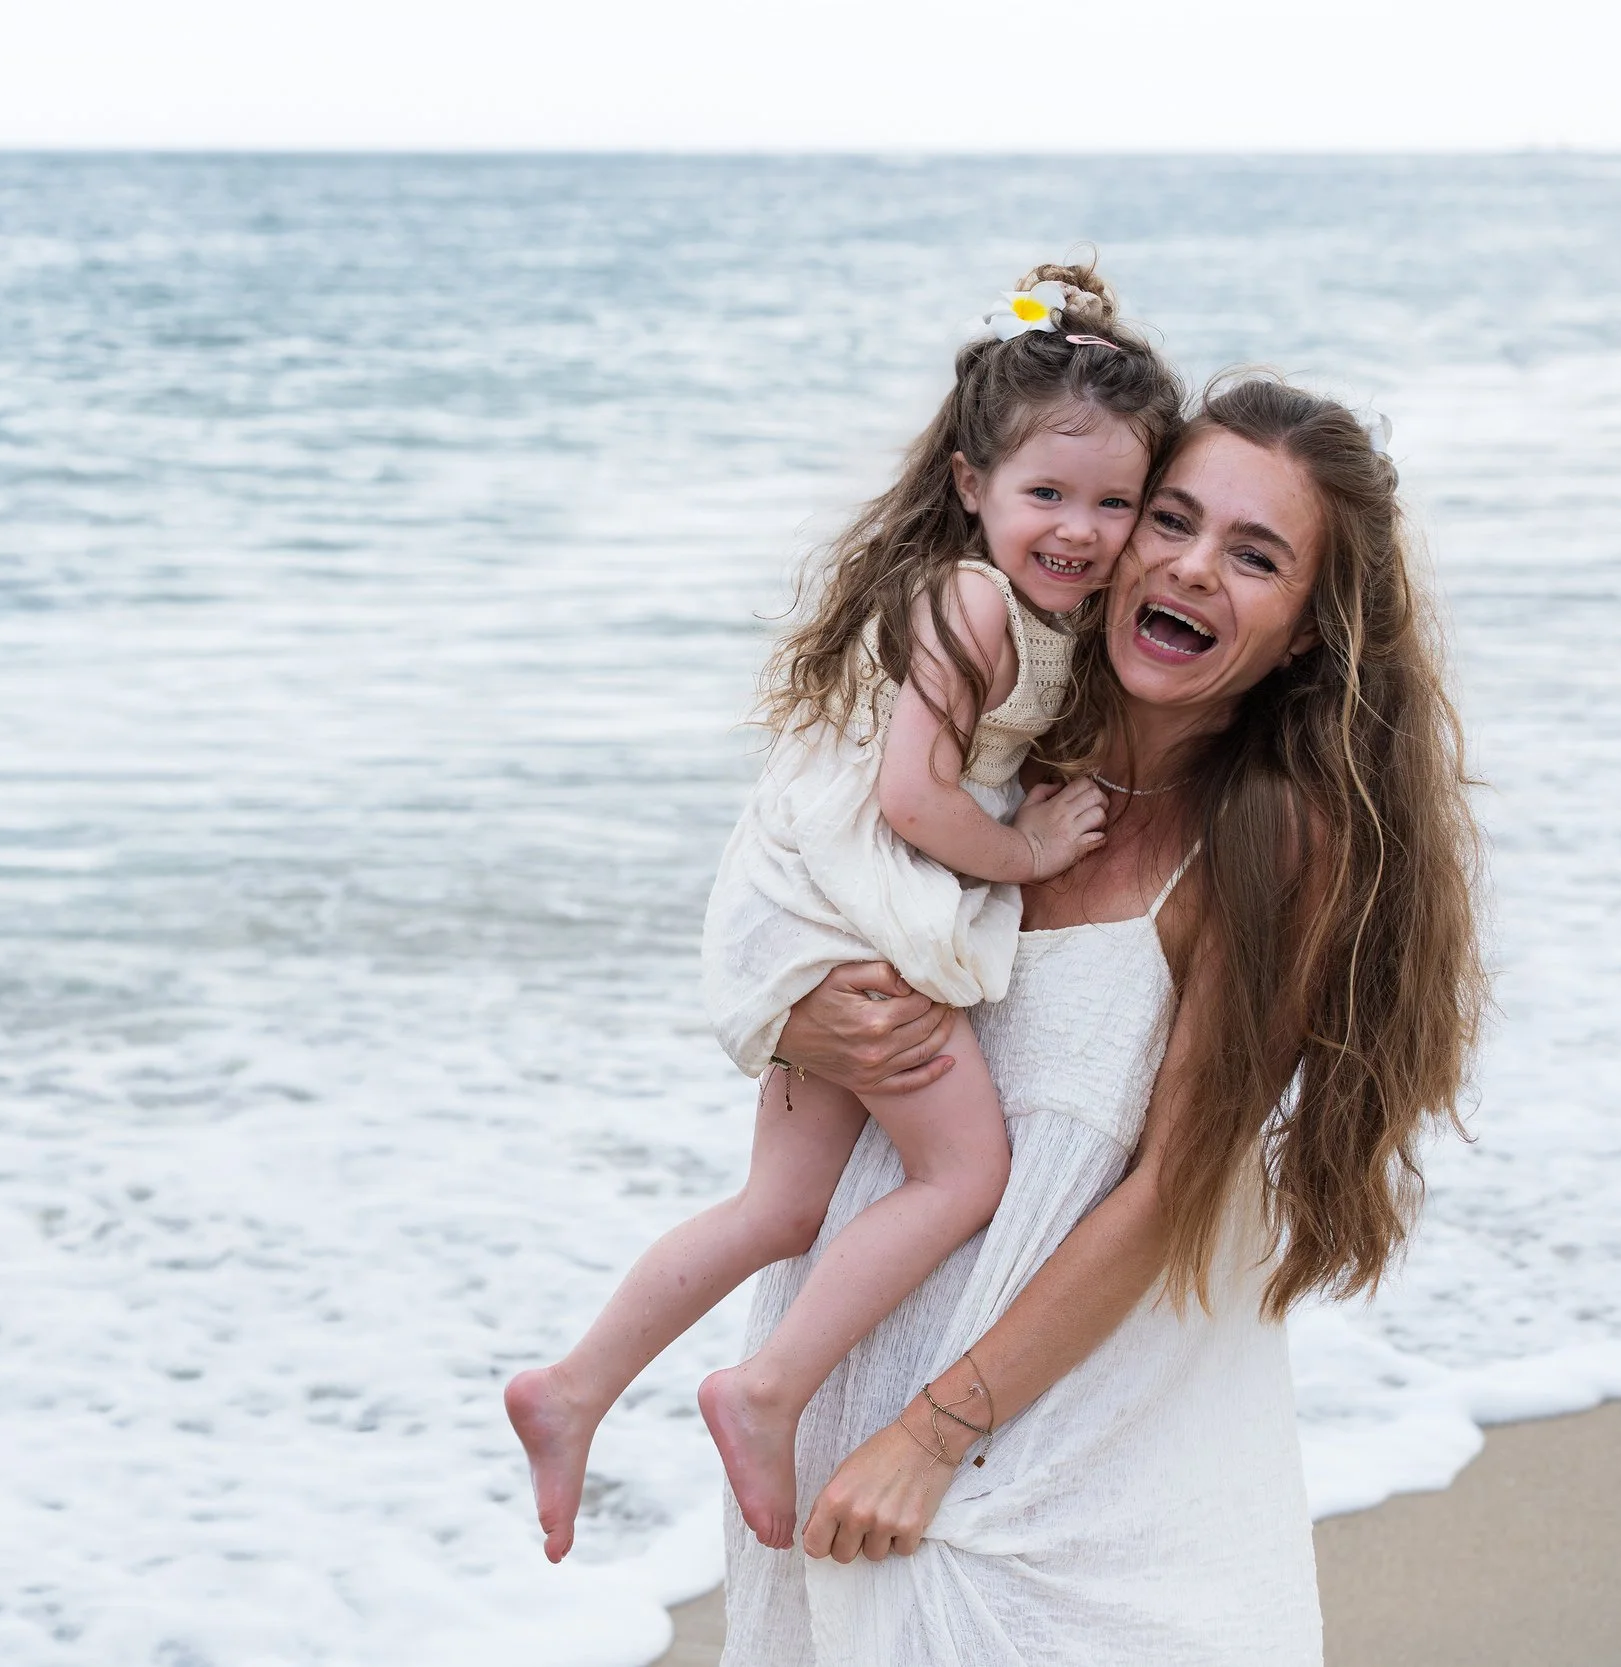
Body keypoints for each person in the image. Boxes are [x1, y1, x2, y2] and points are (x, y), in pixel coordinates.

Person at [719, 376, 1487, 1664]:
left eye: (1254, 555)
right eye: (1169, 519)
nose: (1189, 567)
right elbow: (784, 914)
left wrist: (932, 1435)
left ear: (1307, 629)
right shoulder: (990, 749)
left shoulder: (1276, 840)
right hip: (826, 1424)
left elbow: (1172, 1188)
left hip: (1045, 1479)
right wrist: (801, 1030)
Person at [506, 265, 1186, 1559]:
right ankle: (764, 1391)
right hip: (845, 905)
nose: (1084, 529)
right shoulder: (976, 600)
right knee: (963, 1171)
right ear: (969, 481)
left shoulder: (1011, 596)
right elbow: (917, 795)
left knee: (780, 1207)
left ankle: (575, 1383)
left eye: (1117, 501)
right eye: (1048, 493)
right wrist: (1028, 848)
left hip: (807, 899)